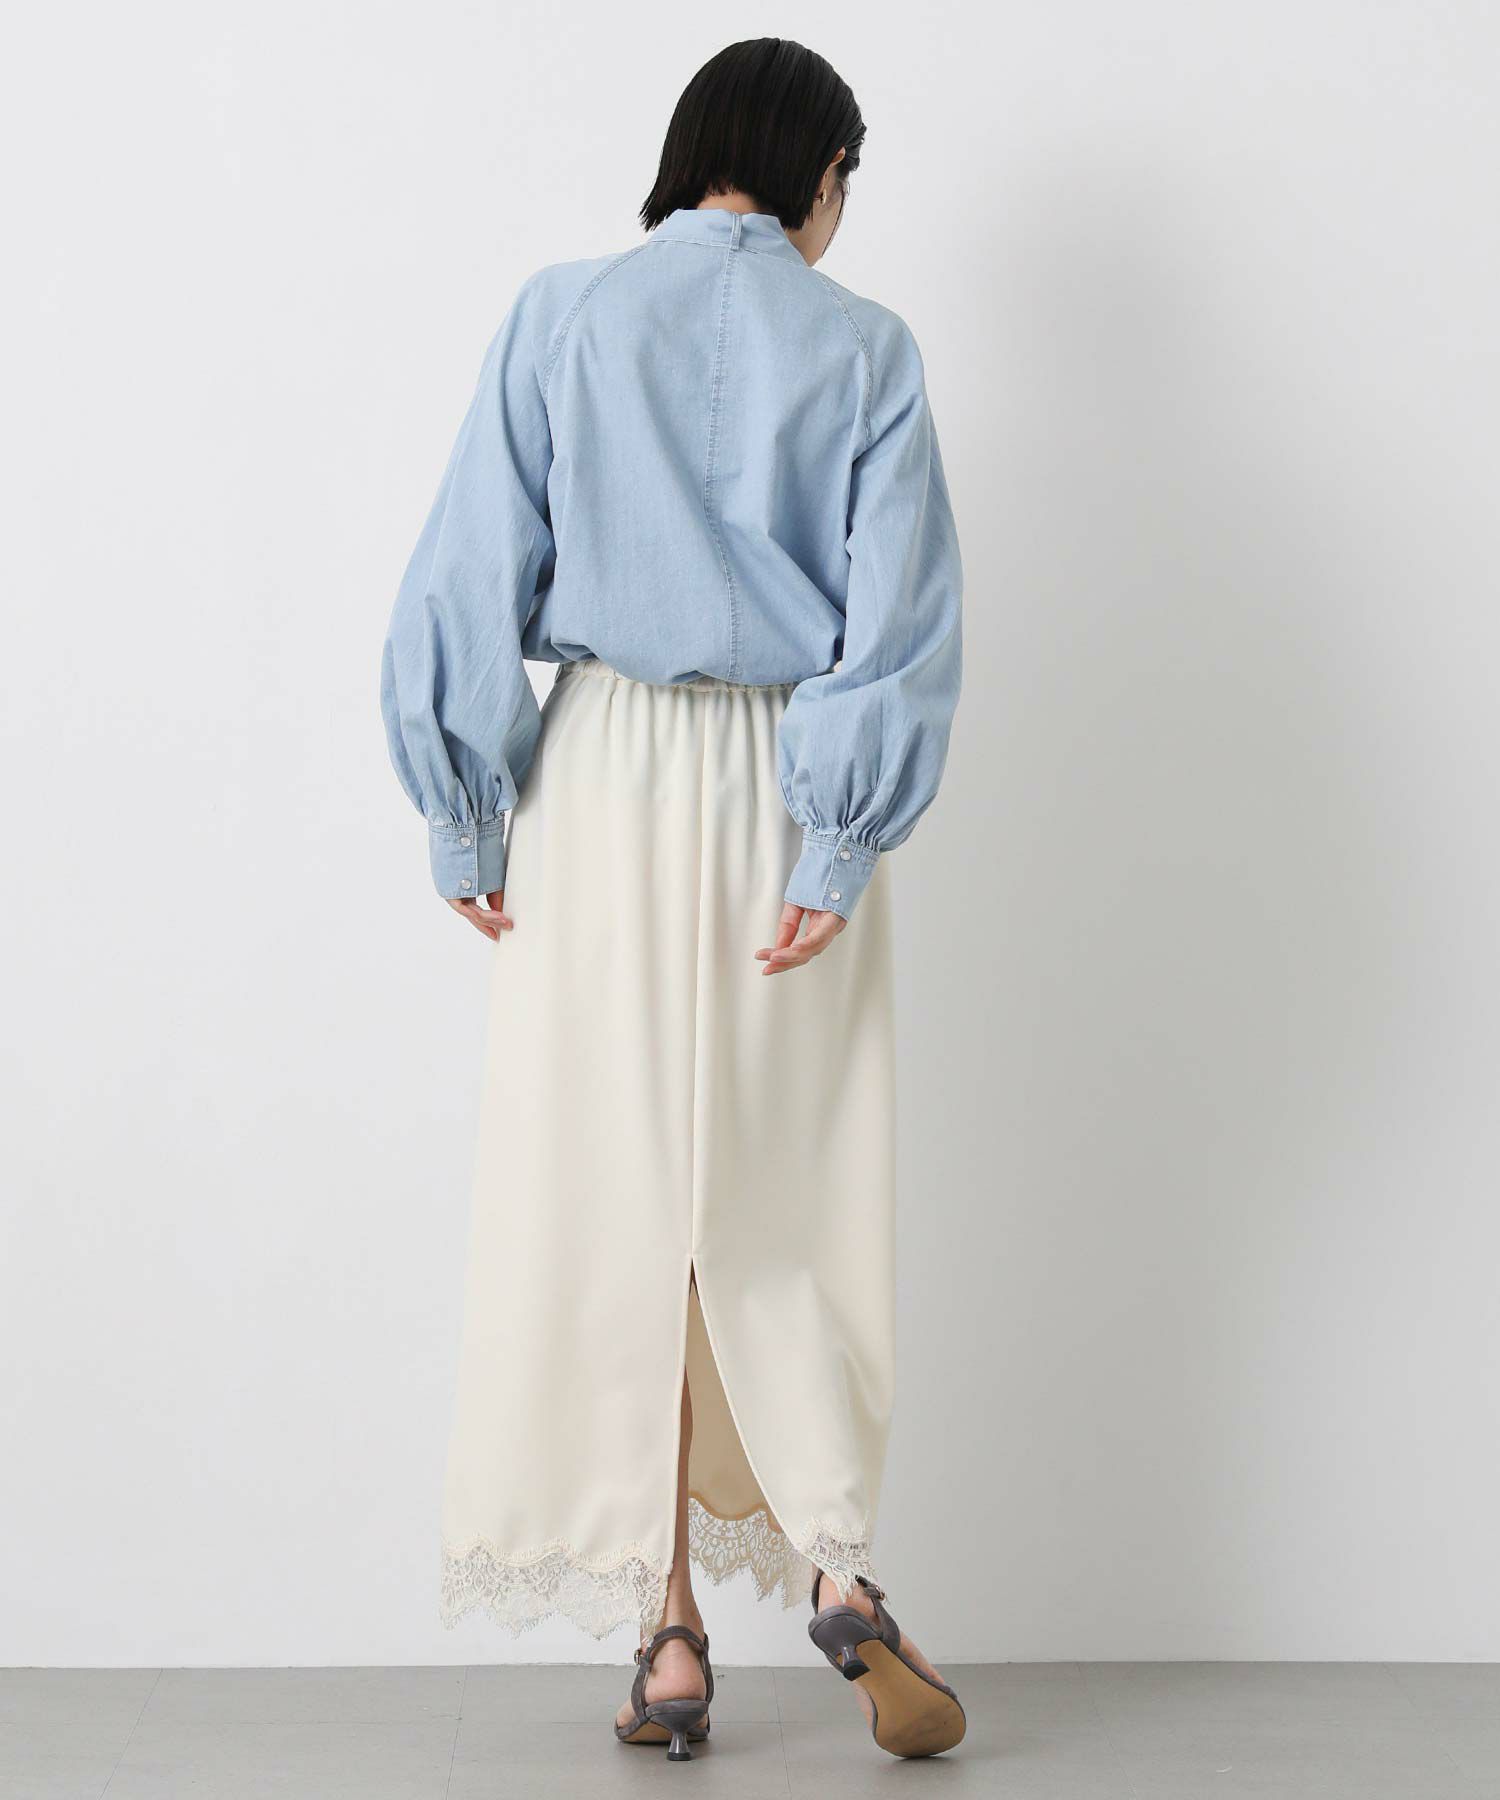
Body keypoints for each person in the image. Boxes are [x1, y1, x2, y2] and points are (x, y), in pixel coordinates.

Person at [381, 36, 965, 1763]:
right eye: (845, 182)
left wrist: (469, 816)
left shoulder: (562, 314)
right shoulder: (866, 349)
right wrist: (837, 843)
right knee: (792, 1179)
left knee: (610, 1187)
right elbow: (898, 621)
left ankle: (671, 1635)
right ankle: (839, 1567)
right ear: (817, 173)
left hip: (605, 777)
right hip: (787, 773)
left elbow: (467, 571)